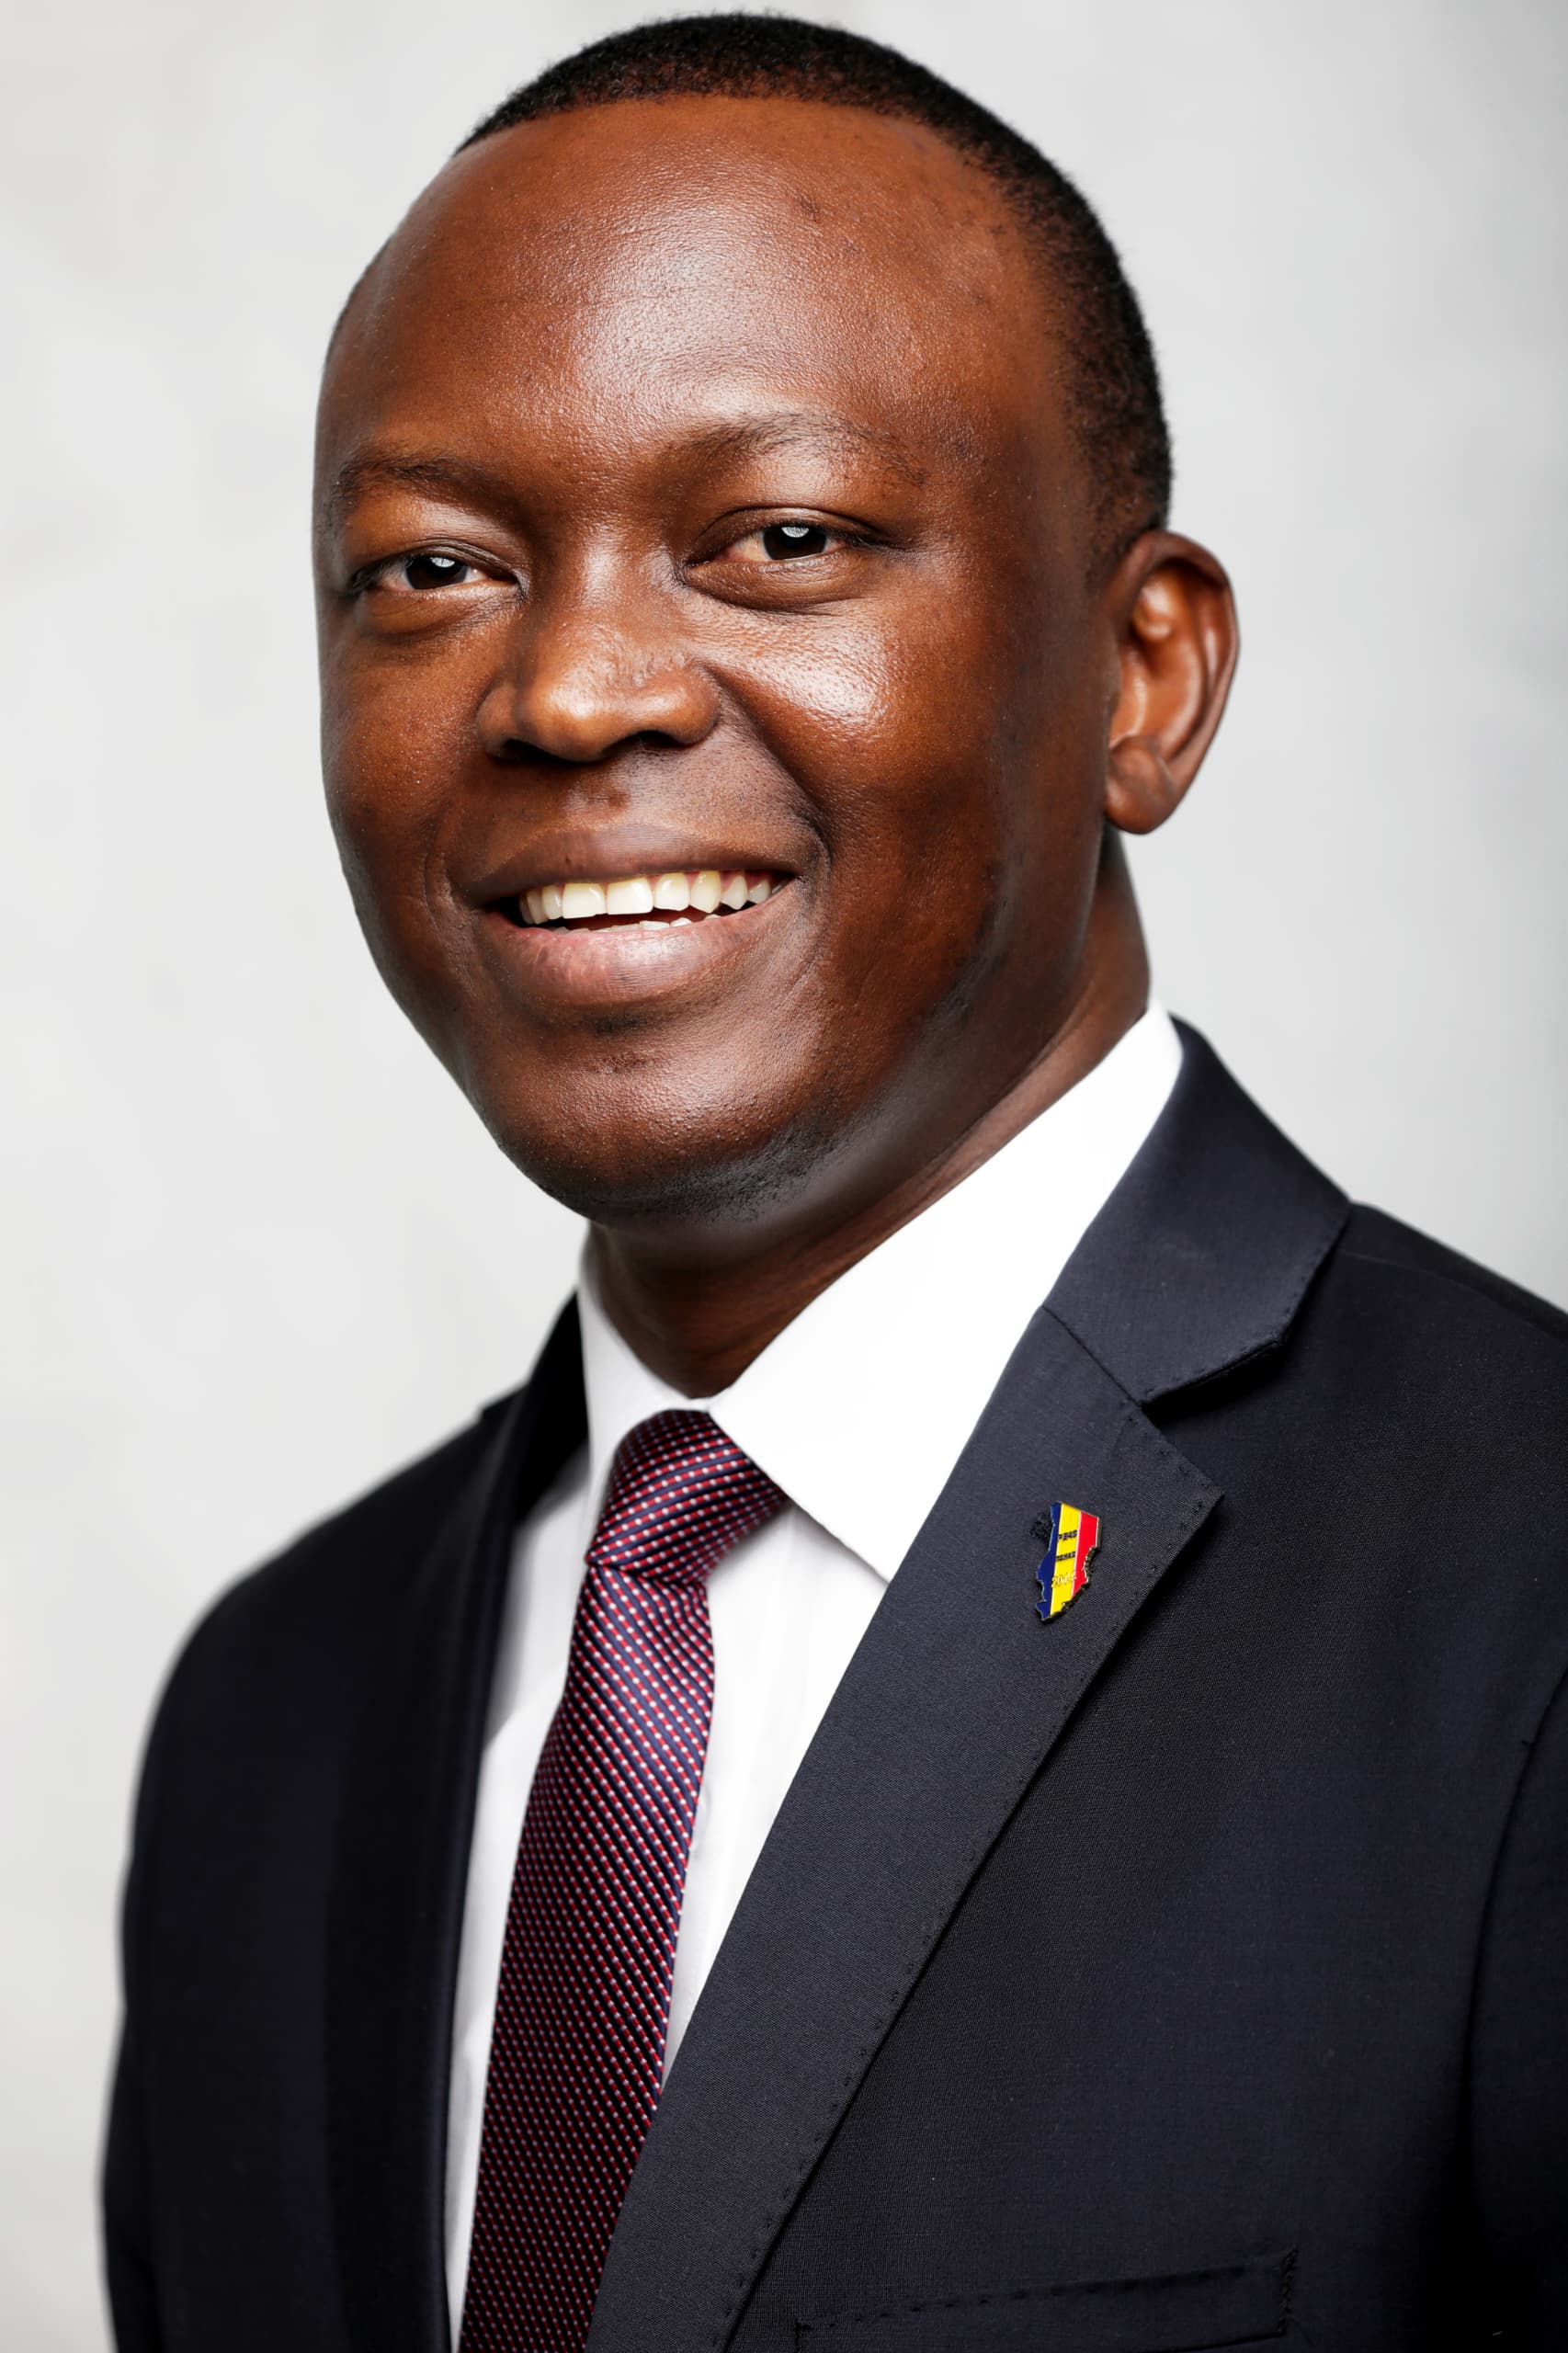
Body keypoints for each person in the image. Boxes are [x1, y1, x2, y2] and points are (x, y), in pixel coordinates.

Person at [103, 17, 1568, 2352]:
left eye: (779, 538)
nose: (573, 689)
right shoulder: (268, 1727)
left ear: (1143, 676)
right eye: (433, 567)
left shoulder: (1518, 1593)